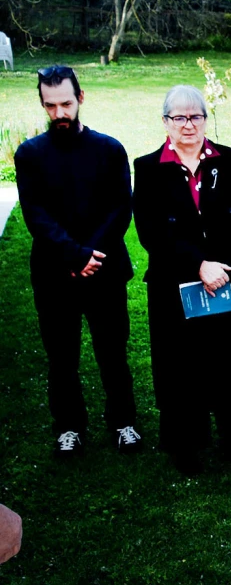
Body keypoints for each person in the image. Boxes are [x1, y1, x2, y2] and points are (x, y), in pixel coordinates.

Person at [133, 85, 231, 475]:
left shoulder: (229, 160)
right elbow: (151, 232)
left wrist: (222, 268)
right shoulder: (147, 168)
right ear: (165, 122)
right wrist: (198, 265)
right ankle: (186, 446)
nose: (188, 124)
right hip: (175, 284)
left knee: (229, 359)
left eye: (196, 116)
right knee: (182, 365)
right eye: (179, 117)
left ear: (205, 119)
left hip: (228, 280)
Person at [14, 65, 140, 456]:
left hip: (104, 269)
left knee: (113, 350)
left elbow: (120, 209)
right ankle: (69, 426)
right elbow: (35, 214)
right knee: (61, 354)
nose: (59, 114)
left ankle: (123, 421)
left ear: (80, 98)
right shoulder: (30, 154)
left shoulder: (109, 149)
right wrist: (72, 254)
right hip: (54, 272)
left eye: (66, 103)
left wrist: (89, 255)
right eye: (50, 106)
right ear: (42, 103)